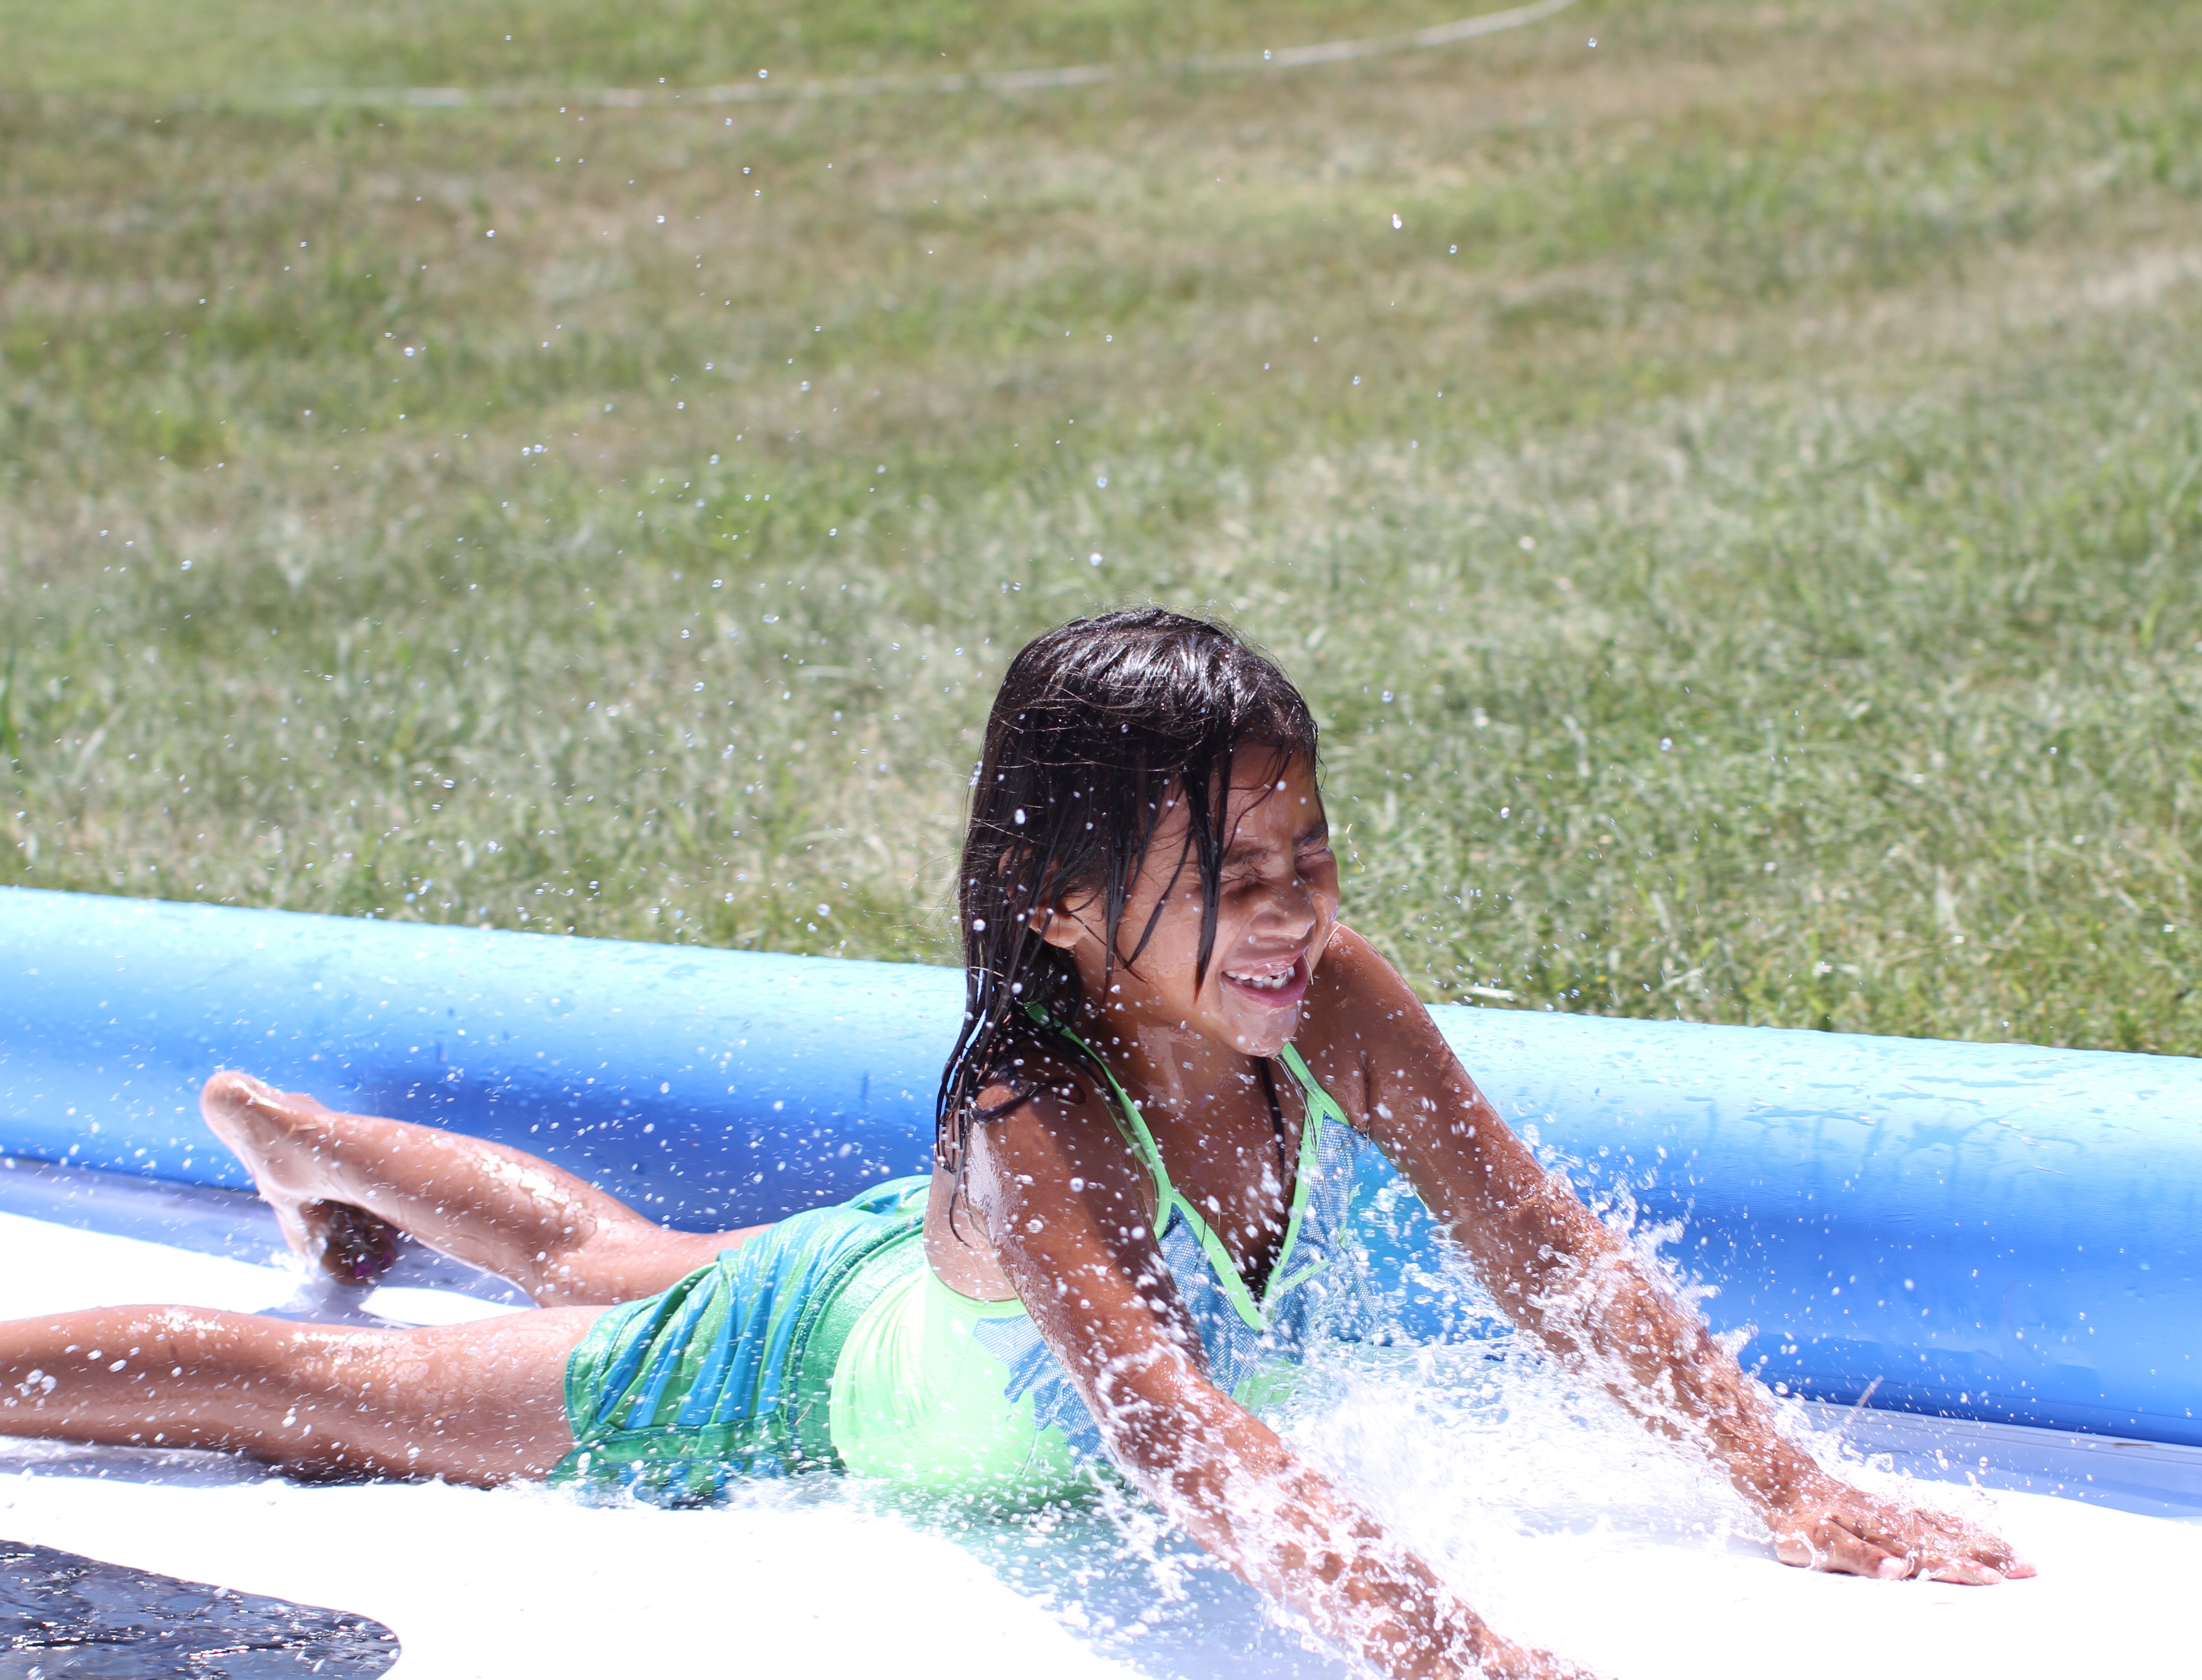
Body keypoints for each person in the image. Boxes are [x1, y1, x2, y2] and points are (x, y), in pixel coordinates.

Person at [0, 610, 2026, 1678]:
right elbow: (1163, 1423)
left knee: (620, 1254)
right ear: (1059, 903)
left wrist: (1781, 1481)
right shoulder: (1036, 1108)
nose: (1295, 909)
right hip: (822, 1360)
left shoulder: (1324, 987)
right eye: (1228, 875)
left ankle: (313, 1150)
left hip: (926, 1281)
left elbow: (1532, 1235)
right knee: (345, 1394)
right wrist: (1443, 1646)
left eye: (1309, 853)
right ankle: (300, 1164)